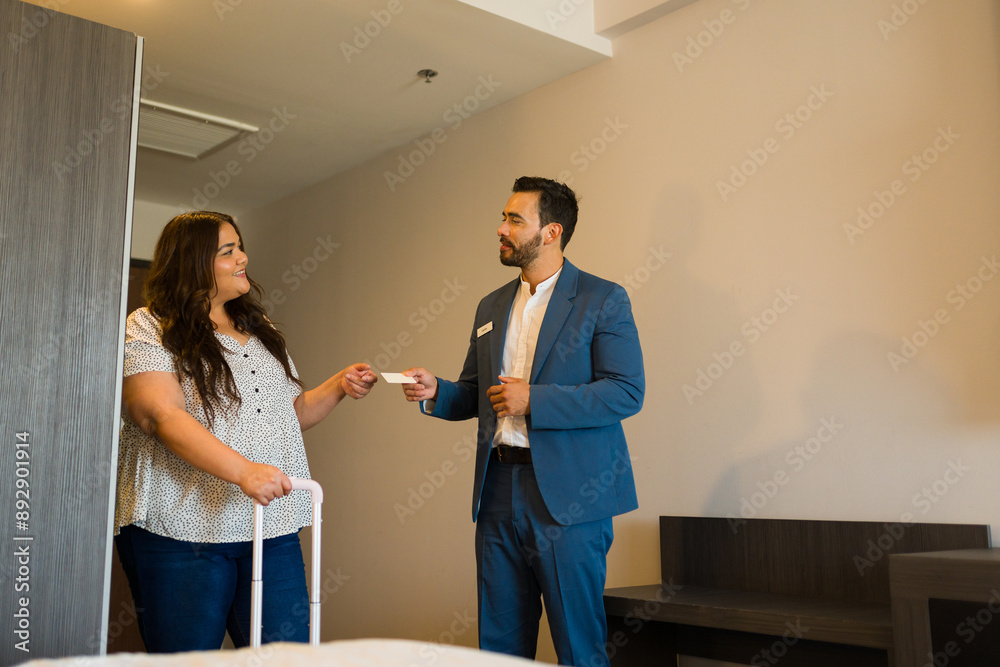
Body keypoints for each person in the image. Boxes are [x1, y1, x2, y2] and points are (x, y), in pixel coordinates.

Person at [400, 177, 644, 666]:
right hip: (497, 491)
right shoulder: (490, 306)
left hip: (572, 497)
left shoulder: (603, 299)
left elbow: (625, 391)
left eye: (514, 219)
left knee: (578, 644)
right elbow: (476, 393)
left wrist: (533, 400)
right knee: (500, 649)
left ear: (551, 231)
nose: (501, 228)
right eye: (503, 217)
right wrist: (436, 392)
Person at [114, 211, 377, 652]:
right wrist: (244, 472)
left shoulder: (260, 329)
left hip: (268, 527)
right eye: (228, 250)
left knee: (288, 658)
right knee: (186, 662)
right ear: (193, 262)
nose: (243, 258)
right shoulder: (149, 325)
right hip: (183, 531)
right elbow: (159, 414)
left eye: (240, 246)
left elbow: (287, 416)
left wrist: (338, 386)